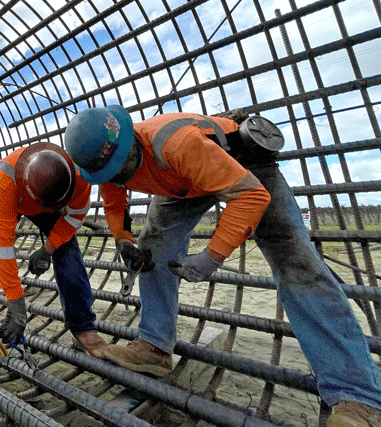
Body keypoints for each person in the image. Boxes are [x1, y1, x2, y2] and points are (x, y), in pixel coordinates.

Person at [63, 105, 381, 426]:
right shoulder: (108, 166)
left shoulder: (175, 143)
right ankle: (154, 347)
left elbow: (250, 196)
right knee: (152, 249)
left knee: (296, 264)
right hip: (181, 183)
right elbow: (113, 200)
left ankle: (358, 396)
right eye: (113, 173)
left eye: (124, 166)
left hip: (243, 167)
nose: (122, 176)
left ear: (132, 141)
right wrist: (123, 241)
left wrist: (211, 256)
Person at [0, 142, 107, 359]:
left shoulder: (79, 179)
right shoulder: (6, 180)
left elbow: (74, 218)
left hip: (49, 198)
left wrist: (48, 249)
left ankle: (84, 329)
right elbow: (1, 247)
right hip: (14, 194)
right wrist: (16, 304)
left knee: (67, 247)